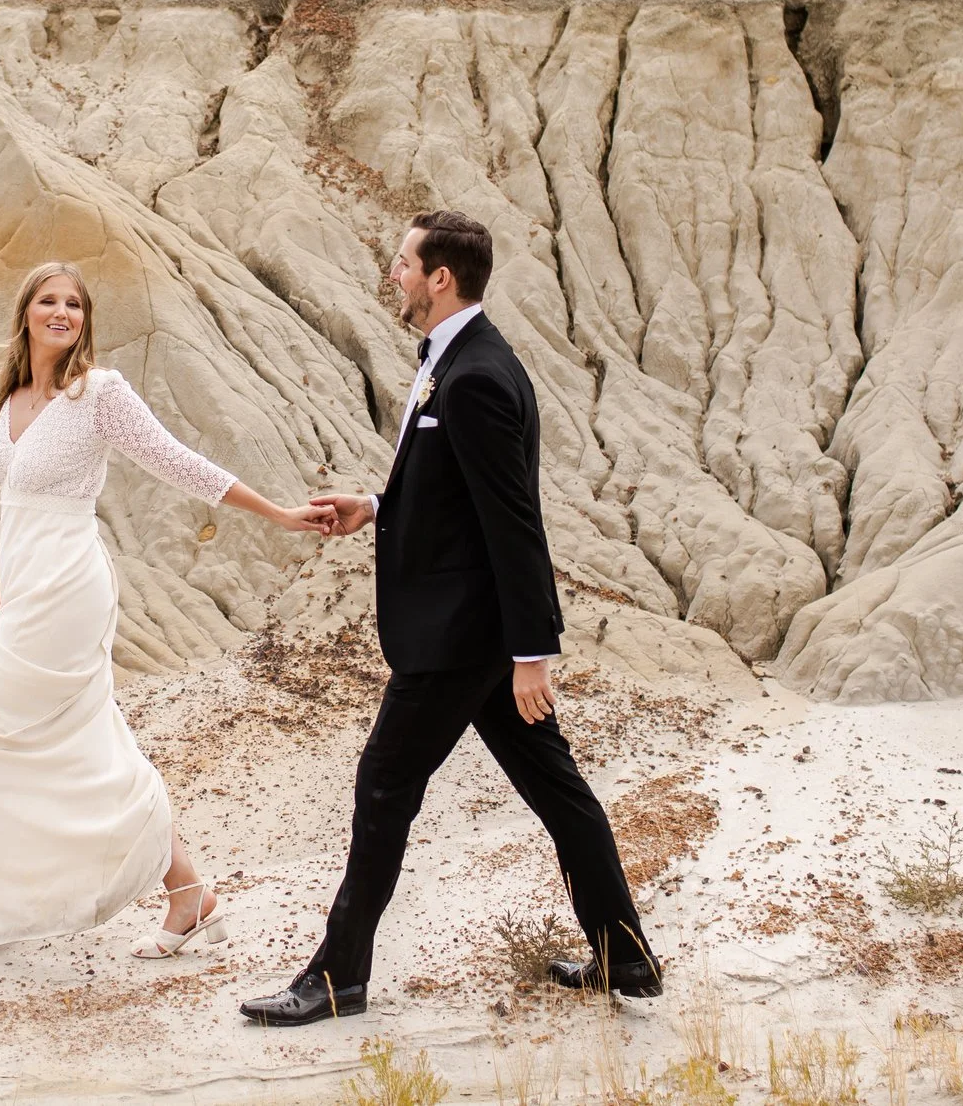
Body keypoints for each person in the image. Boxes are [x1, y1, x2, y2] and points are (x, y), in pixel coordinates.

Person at [238, 210, 663, 1025]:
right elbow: (454, 497)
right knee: (559, 791)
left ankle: (336, 978)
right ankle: (628, 959)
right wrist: (373, 504)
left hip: (462, 639)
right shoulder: (459, 360)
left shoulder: (474, 378)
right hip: (479, 635)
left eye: (403, 263)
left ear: (441, 277)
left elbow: (514, 522)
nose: (392, 274)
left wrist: (533, 650)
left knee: (383, 783)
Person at [0, 261, 331, 956]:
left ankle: (184, 892)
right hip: (17, 595)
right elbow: (10, 508)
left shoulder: (98, 393)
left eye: (75, 302)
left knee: (77, 741)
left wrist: (280, 514)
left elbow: (178, 461)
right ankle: (161, 894)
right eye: (48, 299)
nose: (62, 311)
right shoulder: (10, 396)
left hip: (69, 587)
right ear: (26, 312)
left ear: (86, 320)